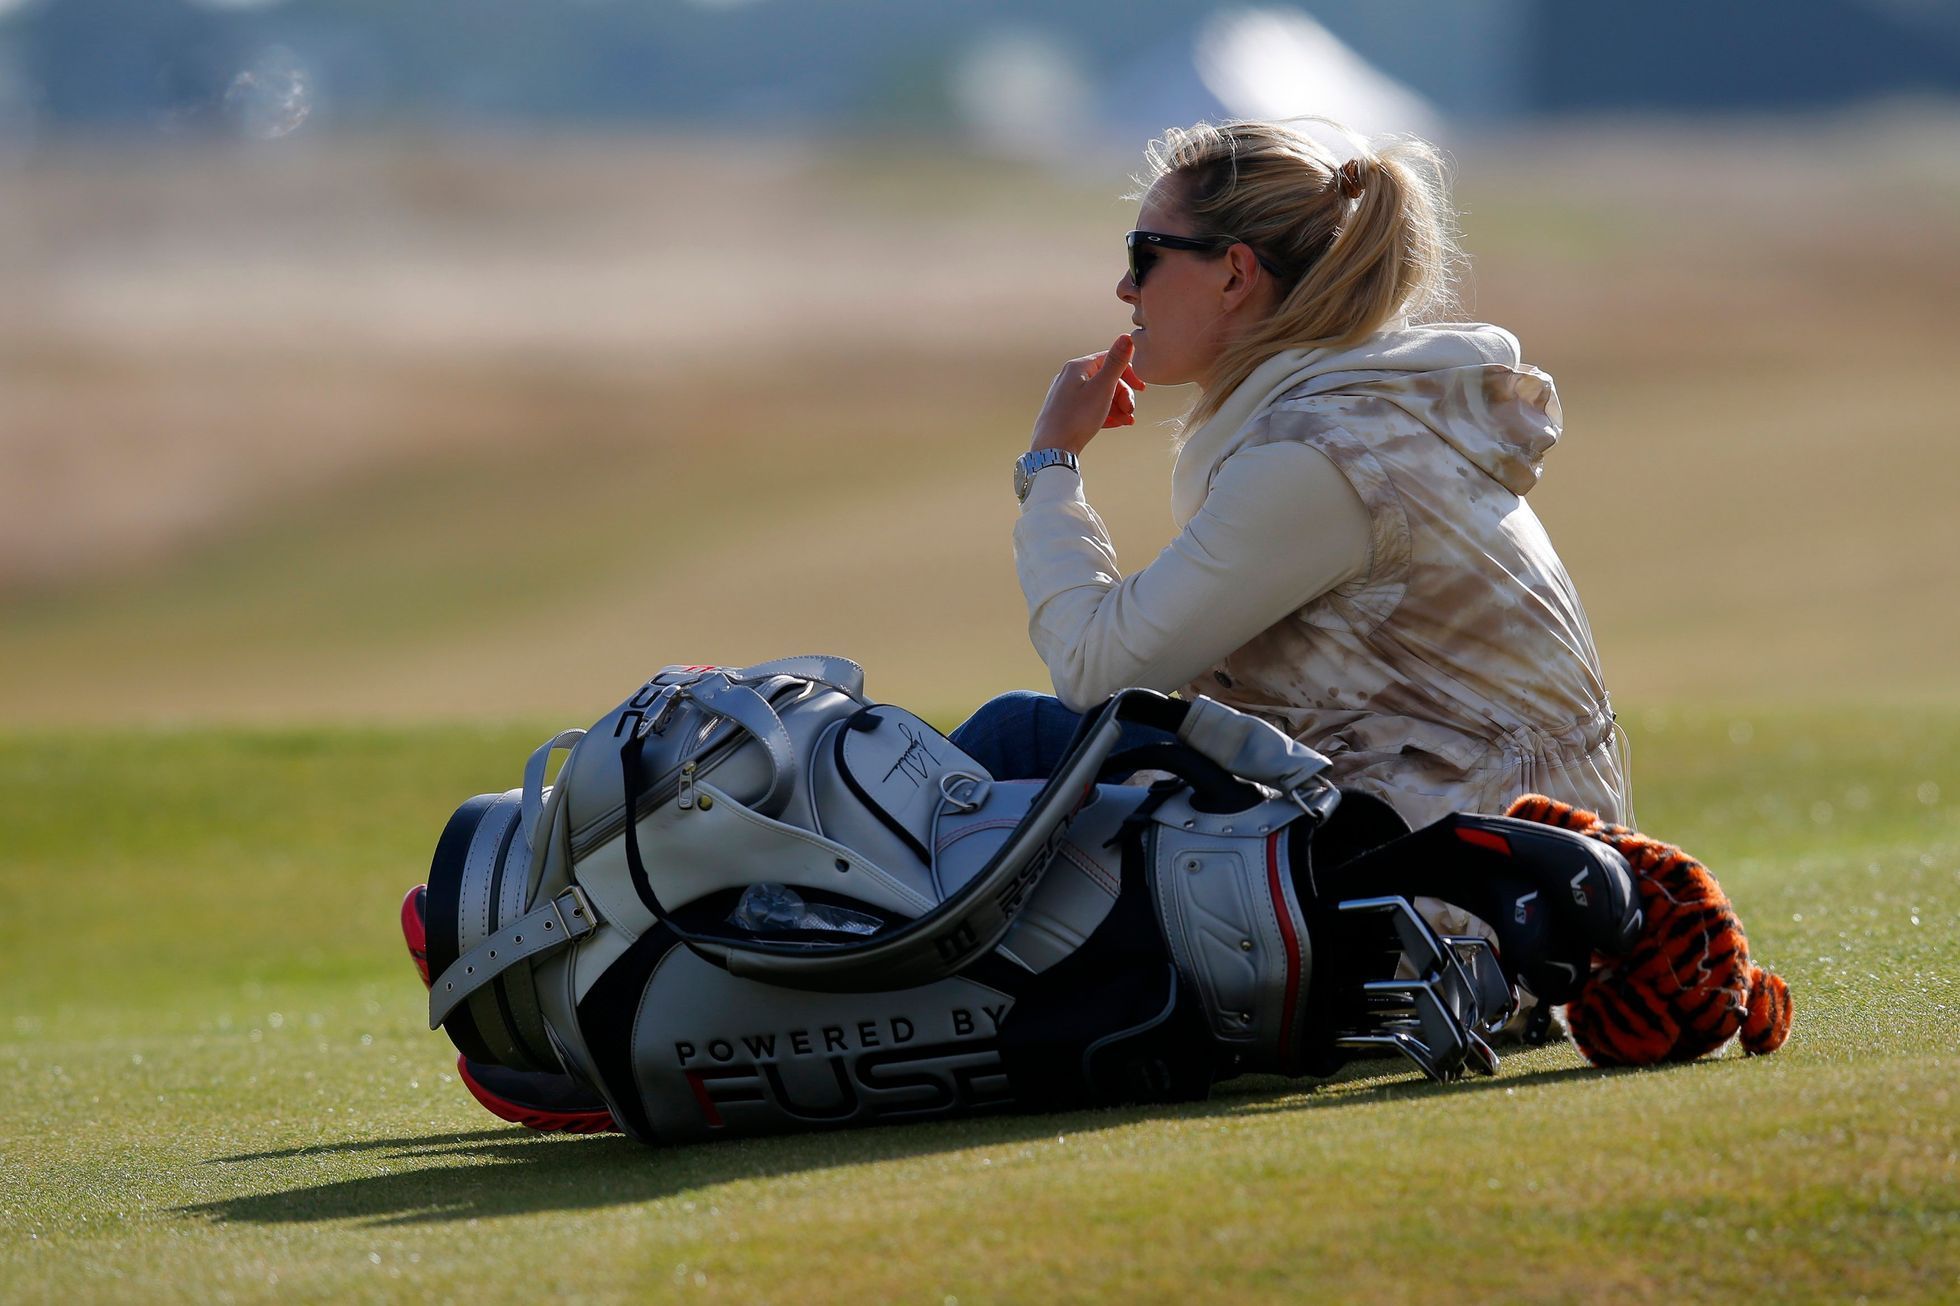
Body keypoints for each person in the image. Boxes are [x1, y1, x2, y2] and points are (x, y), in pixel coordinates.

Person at [951, 120, 1629, 829]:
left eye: (1144, 255)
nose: (1125, 287)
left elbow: (1096, 671)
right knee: (1036, 746)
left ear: (1235, 275)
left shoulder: (1317, 457)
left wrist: (1051, 463)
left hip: (1453, 863)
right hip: (1468, 825)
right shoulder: (1366, 416)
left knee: (1017, 737)